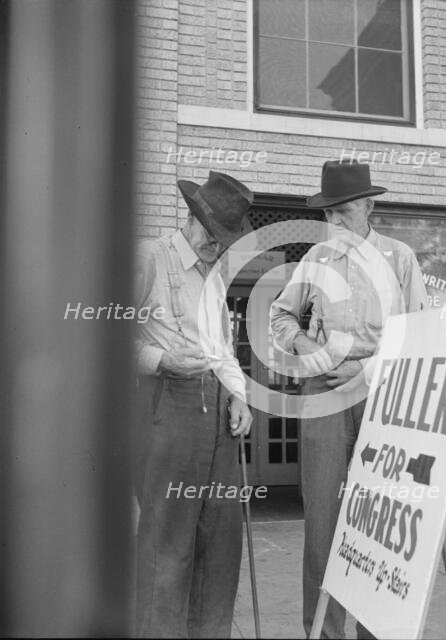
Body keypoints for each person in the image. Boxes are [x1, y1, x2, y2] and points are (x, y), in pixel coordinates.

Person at [270, 159, 428, 639]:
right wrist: (303, 345)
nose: (335, 223)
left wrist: (370, 369)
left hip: (385, 400)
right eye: (328, 214)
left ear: (369, 207)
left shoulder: (400, 259)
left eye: (344, 212)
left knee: (380, 523)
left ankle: (376, 631)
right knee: (323, 521)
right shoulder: (315, 261)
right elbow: (281, 318)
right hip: (323, 397)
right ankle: (323, 633)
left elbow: (420, 333)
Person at [134, 172, 253, 638]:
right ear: (192, 217)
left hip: (218, 411)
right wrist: (161, 360)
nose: (216, 247)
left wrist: (239, 395)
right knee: (168, 542)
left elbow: (222, 346)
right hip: (170, 404)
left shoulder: (215, 276)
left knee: (220, 542)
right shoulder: (148, 259)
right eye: (212, 235)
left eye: (225, 241)